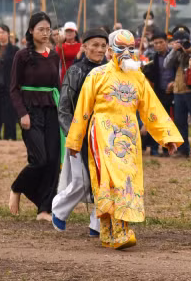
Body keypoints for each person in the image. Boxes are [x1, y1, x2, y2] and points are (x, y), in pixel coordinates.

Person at [66, 30, 182, 249]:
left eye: (131, 47)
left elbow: (151, 107)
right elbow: (82, 109)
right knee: (110, 180)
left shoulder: (138, 76)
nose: (127, 53)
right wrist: (74, 141)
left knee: (127, 181)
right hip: (102, 132)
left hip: (129, 135)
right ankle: (119, 229)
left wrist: (167, 137)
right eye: (121, 48)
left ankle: (109, 231)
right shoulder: (97, 75)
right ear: (110, 51)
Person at [52, 29, 108, 236]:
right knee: (82, 180)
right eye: (94, 45)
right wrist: (73, 134)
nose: (99, 49)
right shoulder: (75, 71)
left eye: (103, 45)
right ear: (83, 47)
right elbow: (64, 107)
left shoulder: (110, 71)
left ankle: (97, 224)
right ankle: (59, 210)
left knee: (103, 180)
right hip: (81, 135)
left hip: (105, 135)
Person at [8, 12, 60, 222]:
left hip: (52, 110)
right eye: (41, 29)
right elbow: (13, 89)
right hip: (31, 111)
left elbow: (56, 85)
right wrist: (23, 113)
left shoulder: (54, 55)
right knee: (39, 159)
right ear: (31, 31)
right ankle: (17, 187)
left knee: (53, 161)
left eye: (48, 29)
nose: (45, 33)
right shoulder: (22, 56)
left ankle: (45, 209)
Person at [164, 30, 191, 157]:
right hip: (178, 91)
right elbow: (166, 64)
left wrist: (190, 52)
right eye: (178, 42)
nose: (182, 44)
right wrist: (174, 50)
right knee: (180, 122)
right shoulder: (174, 53)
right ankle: (183, 149)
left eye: (183, 41)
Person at [141, 33, 174, 157]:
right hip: (159, 92)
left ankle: (168, 148)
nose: (158, 45)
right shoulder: (152, 57)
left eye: (161, 42)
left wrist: (175, 82)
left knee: (170, 122)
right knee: (156, 121)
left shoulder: (173, 55)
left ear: (166, 42)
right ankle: (154, 148)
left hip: (173, 92)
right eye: (155, 43)